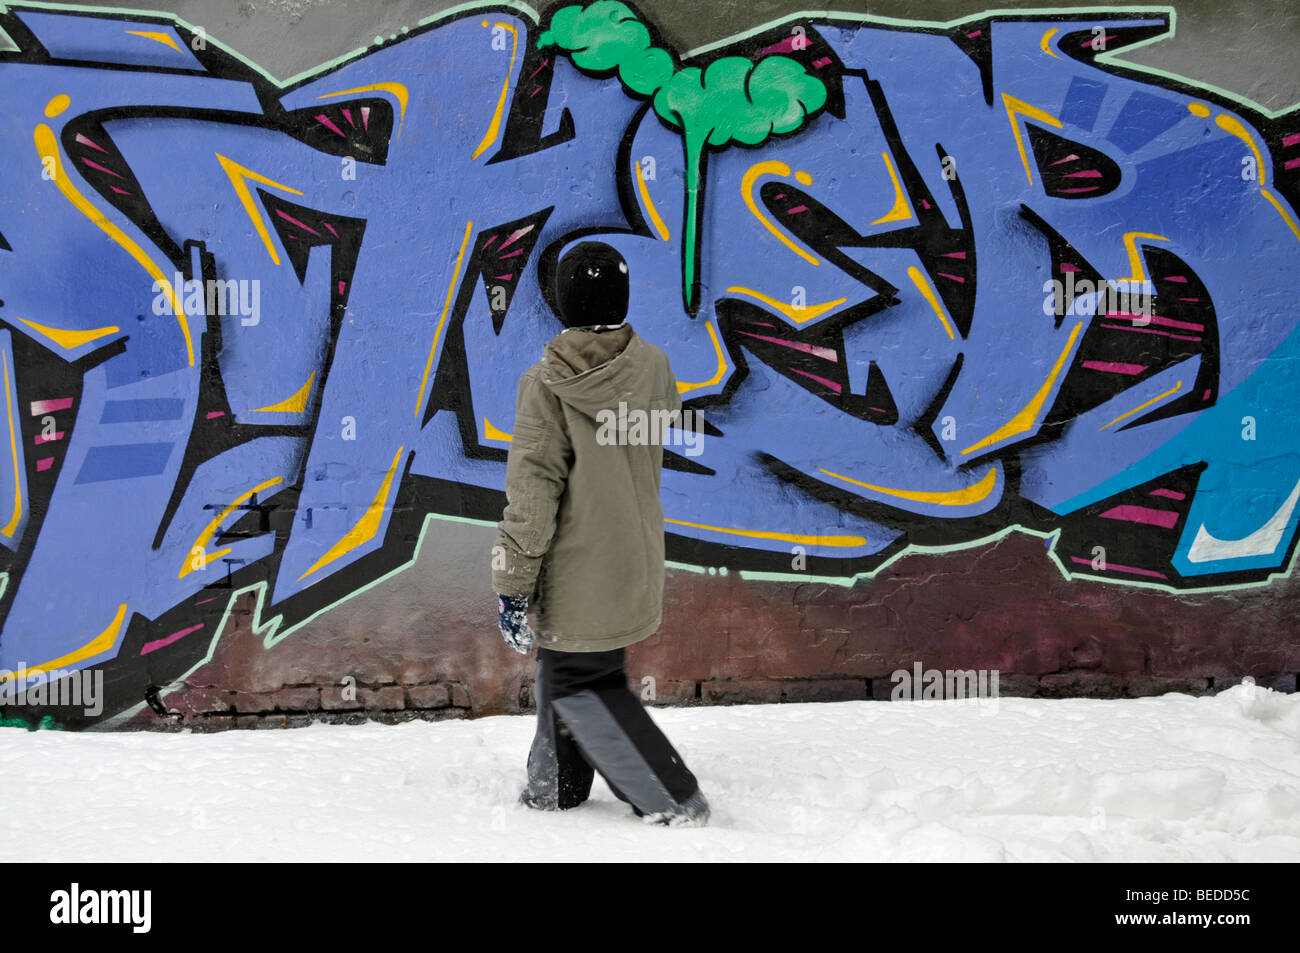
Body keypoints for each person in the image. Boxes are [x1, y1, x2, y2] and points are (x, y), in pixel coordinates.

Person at [490, 241, 709, 826]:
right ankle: (555, 787)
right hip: (633, 557)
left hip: (577, 567)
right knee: (569, 671)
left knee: (580, 684)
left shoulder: (545, 384)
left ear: (562, 304)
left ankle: (670, 796)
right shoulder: (655, 367)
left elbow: (533, 493)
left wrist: (513, 582)